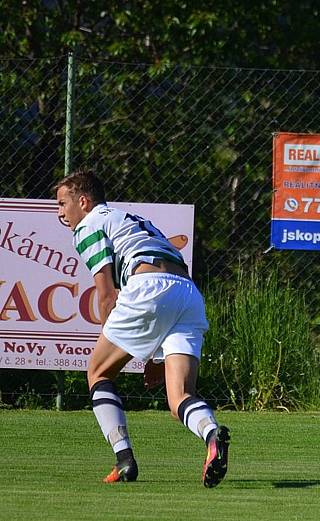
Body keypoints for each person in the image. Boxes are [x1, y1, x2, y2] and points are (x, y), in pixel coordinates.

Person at [54, 170, 230, 487]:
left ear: (83, 201)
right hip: (187, 293)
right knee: (180, 399)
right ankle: (211, 433)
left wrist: (114, 344)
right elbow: (163, 297)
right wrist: (153, 353)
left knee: (98, 373)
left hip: (149, 287)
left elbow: (106, 294)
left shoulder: (88, 224)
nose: (60, 212)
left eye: (63, 203)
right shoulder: (128, 218)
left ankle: (124, 461)